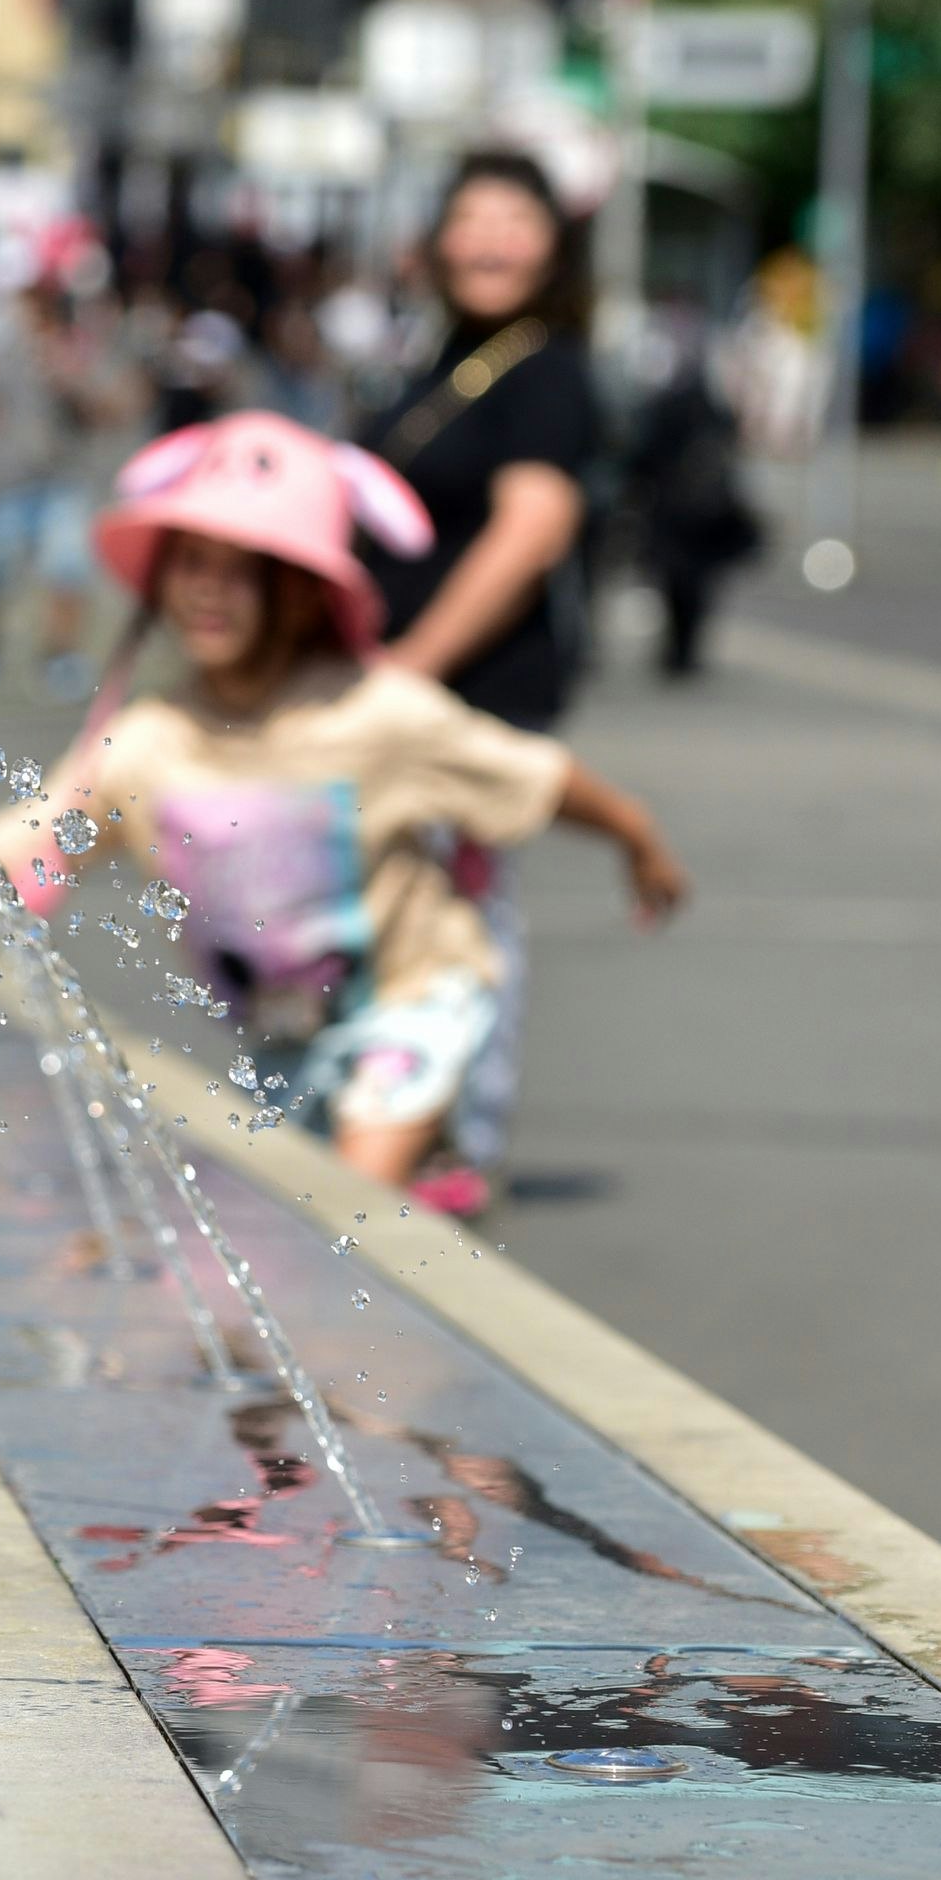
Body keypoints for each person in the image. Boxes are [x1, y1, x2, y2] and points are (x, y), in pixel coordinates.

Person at [0, 412, 687, 1197]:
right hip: (284, 1030)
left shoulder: (375, 713)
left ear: (301, 593)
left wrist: (637, 836)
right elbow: (23, 844)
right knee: (300, 1232)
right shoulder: (151, 742)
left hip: (415, 998)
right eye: (190, 563)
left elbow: (537, 776)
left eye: (242, 569)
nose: (208, 590)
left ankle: (414, 1170)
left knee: (349, 1214)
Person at [350, 150, 602, 1208]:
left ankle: (457, 1137)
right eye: (473, 217)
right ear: (436, 241)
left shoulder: (545, 371)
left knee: (464, 913)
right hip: (395, 692)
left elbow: (531, 531)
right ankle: (401, 1118)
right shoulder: (445, 361)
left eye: (517, 219)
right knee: (397, 908)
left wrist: (416, 665)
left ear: (553, 247)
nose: (493, 239)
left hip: (472, 693)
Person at [0, 247, 136, 693]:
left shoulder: (77, 347)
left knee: (68, 570)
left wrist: (71, 376)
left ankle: (61, 655)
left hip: (62, 480)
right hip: (2, 479)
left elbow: (115, 409)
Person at [620, 335, 762, 678]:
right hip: (702, 511)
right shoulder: (714, 408)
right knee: (696, 584)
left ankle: (678, 650)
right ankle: (686, 649)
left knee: (675, 581)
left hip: (673, 508)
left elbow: (644, 454)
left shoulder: (665, 407)